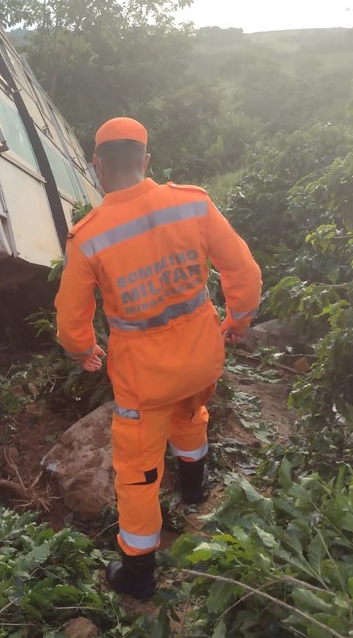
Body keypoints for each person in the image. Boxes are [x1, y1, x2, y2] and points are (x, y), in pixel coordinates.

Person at [54, 117, 262, 600]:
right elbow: (244, 271)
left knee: (137, 470)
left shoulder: (88, 236)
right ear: (146, 162)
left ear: (97, 167)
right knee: (191, 412)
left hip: (144, 380)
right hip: (203, 358)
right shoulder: (192, 201)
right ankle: (194, 489)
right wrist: (238, 321)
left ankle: (139, 575)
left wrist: (83, 350)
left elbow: (69, 322)